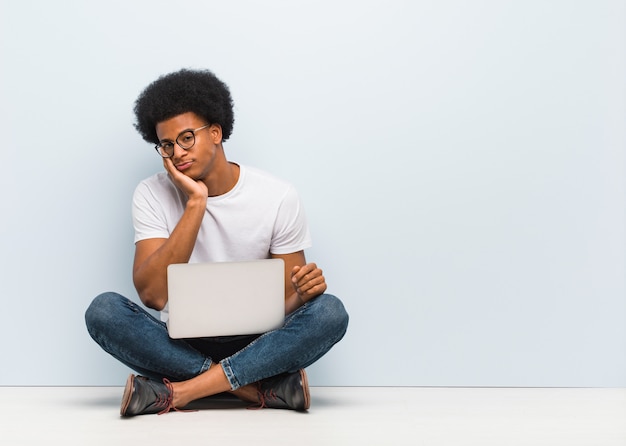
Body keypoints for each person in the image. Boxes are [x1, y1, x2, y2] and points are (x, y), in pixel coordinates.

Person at [84, 68, 349, 417]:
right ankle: (256, 390)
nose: (177, 152)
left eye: (186, 138)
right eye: (166, 145)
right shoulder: (151, 193)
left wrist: (301, 292)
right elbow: (153, 295)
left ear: (215, 132)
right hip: (179, 341)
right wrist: (196, 203)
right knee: (104, 312)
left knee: (330, 312)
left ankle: (181, 392)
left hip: (258, 343)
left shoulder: (277, 195)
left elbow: (285, 302)